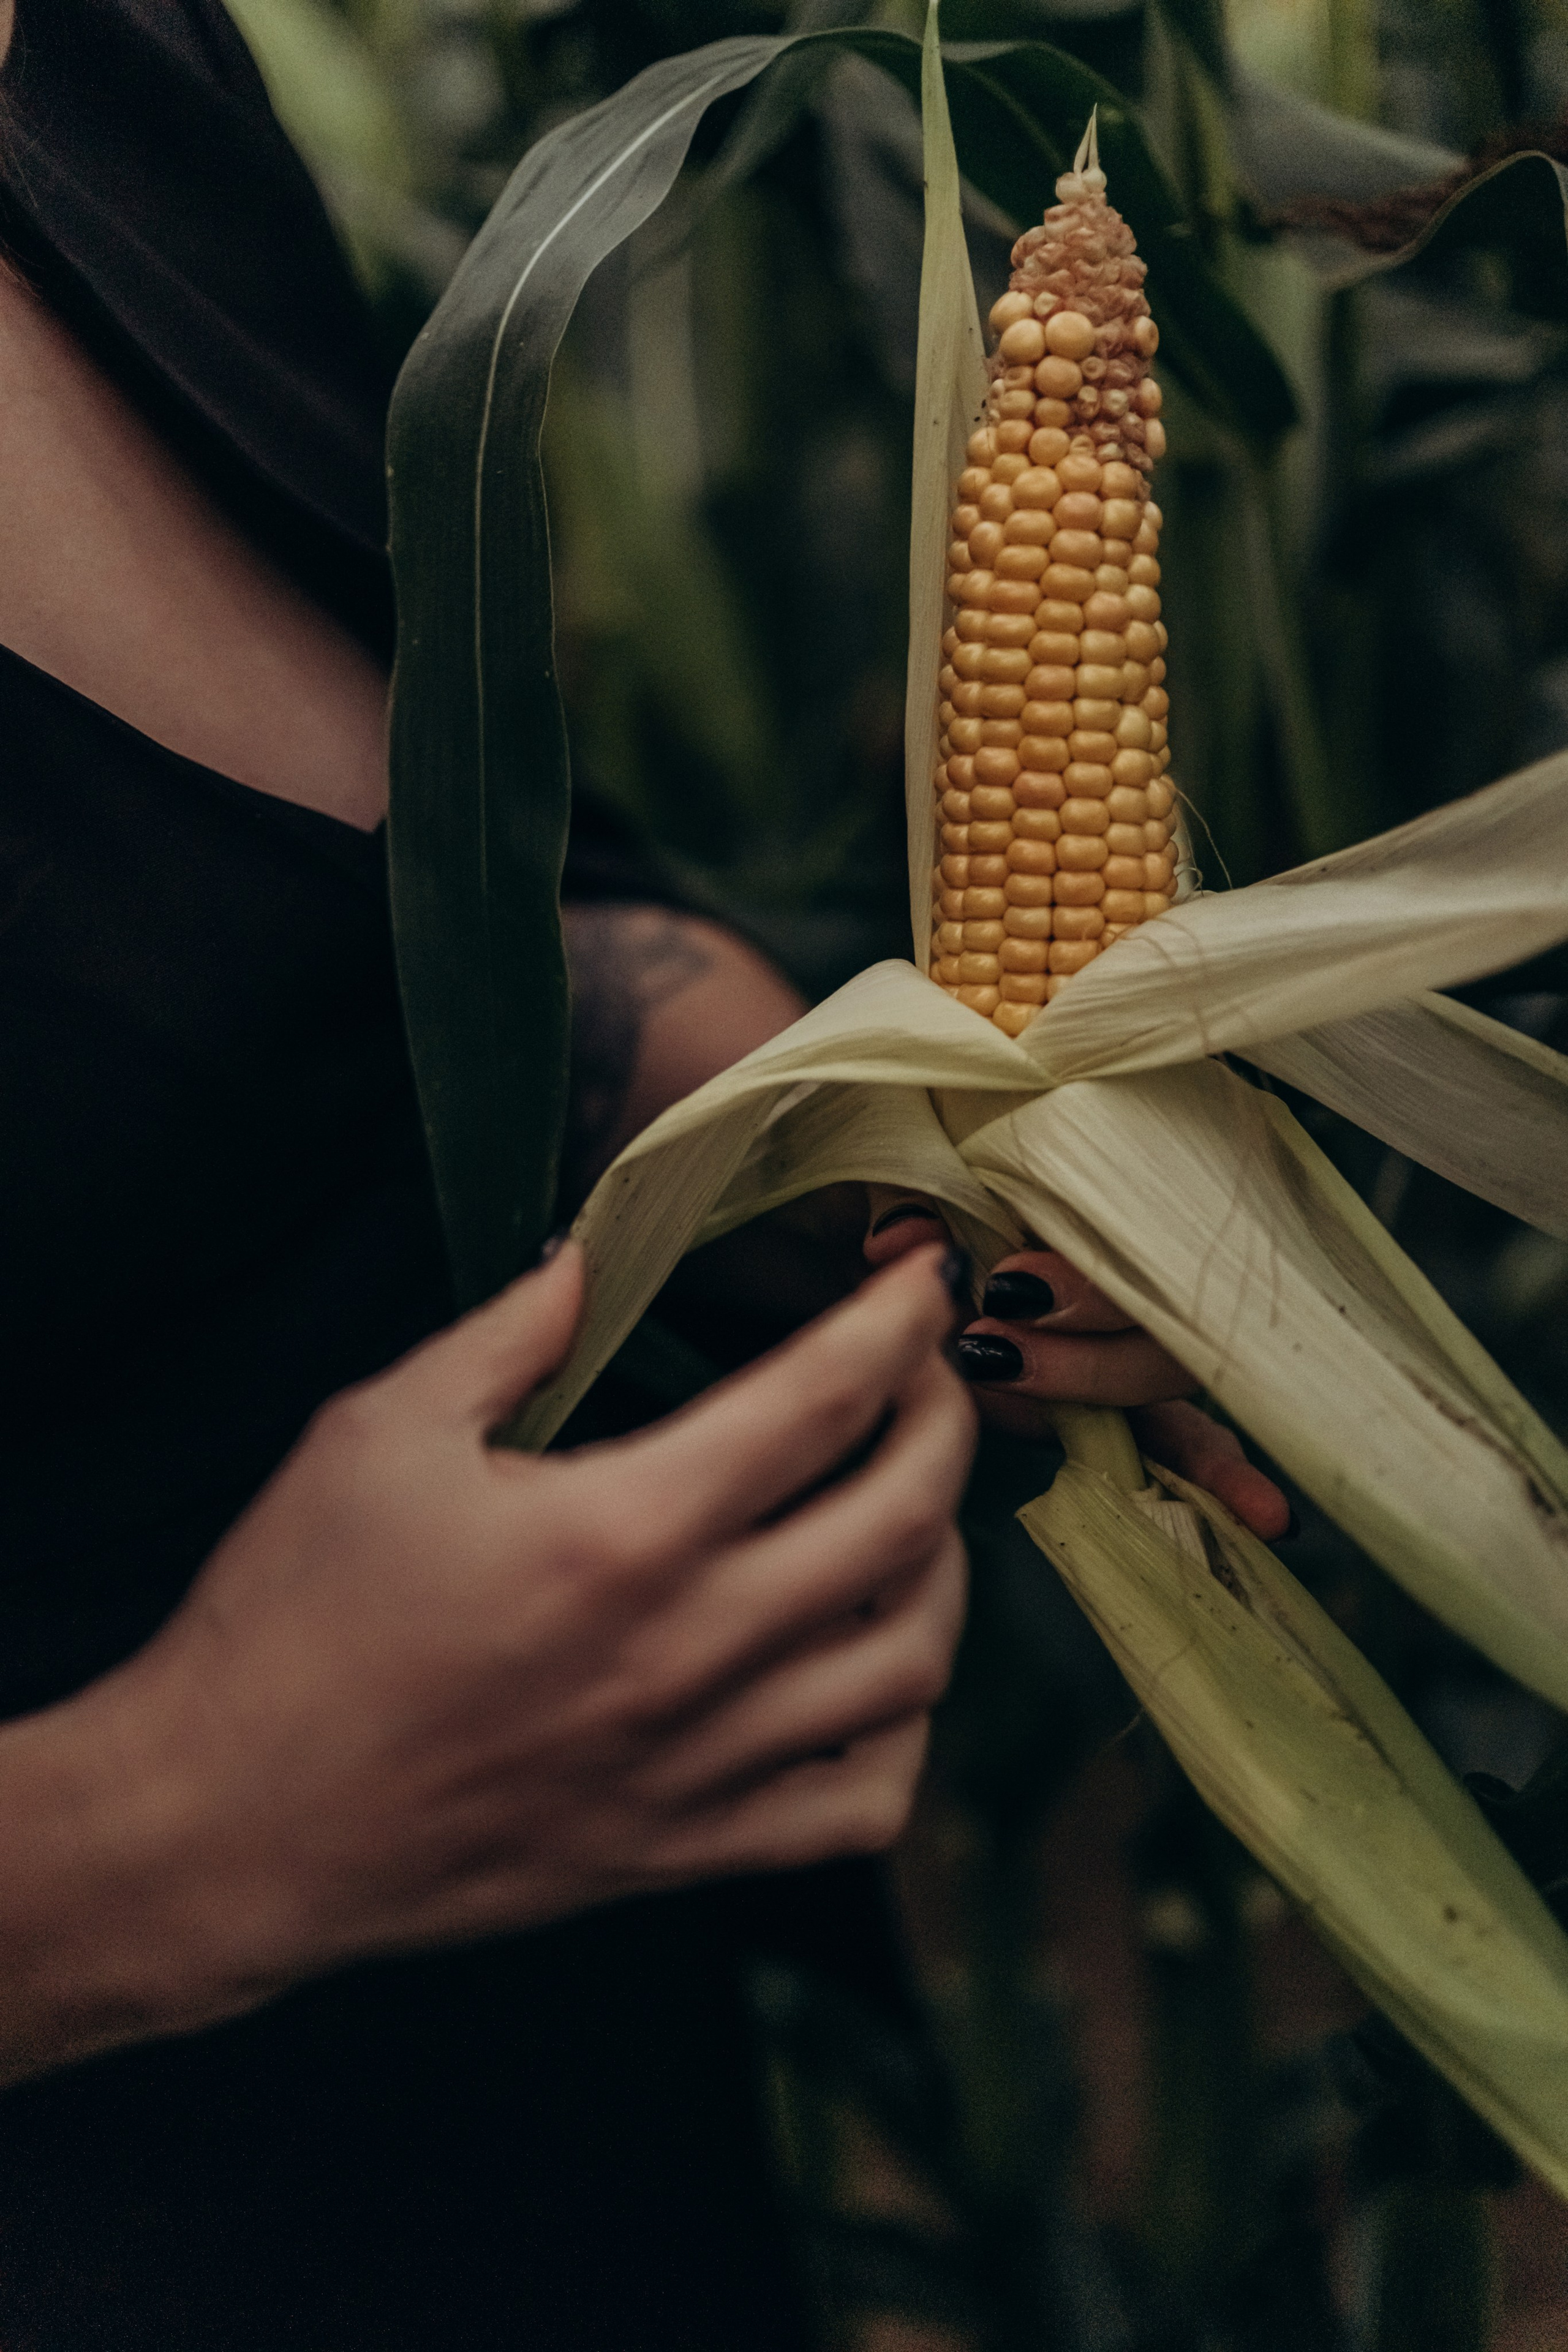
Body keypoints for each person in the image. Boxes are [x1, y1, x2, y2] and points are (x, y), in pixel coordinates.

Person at [0, 3, 1283, 2343]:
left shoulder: (106, 49)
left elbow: (403, 940)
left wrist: (828, 1136)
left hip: (537, 2030)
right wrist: (150, 1831)